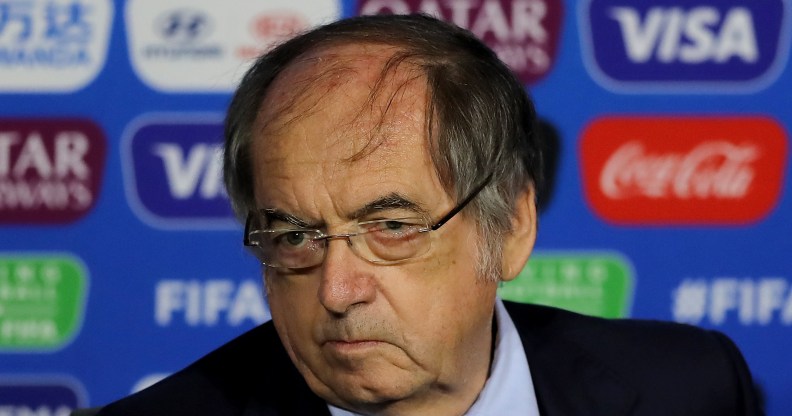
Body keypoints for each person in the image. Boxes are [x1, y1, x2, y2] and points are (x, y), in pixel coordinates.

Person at [85, 13, 762, 416]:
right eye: (294, 235)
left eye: (392, 227)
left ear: (511, 226)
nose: (337, 290)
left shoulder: (691, 386)